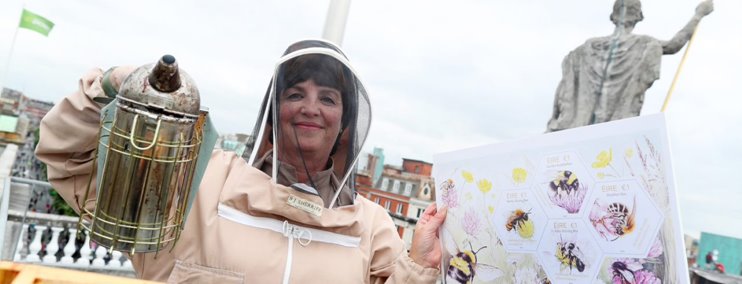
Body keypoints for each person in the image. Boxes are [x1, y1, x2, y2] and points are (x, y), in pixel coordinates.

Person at [35, 39, 447, 283]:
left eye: (328, 98)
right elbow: (74, 160)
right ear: (273, 111)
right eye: (294, 93)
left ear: (345, 122)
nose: (310, 108)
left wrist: (418, 264)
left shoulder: (371, 225)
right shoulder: (198, 178)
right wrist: (108, 85)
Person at [546, 0, 714, 132]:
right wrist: (698, 15)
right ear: (638, 16)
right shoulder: (644, 44)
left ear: (613, 16)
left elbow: (564, 91)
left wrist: (554, 117)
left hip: (580, 129)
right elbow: (674, 44)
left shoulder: (586, 49)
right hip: (619, 129)